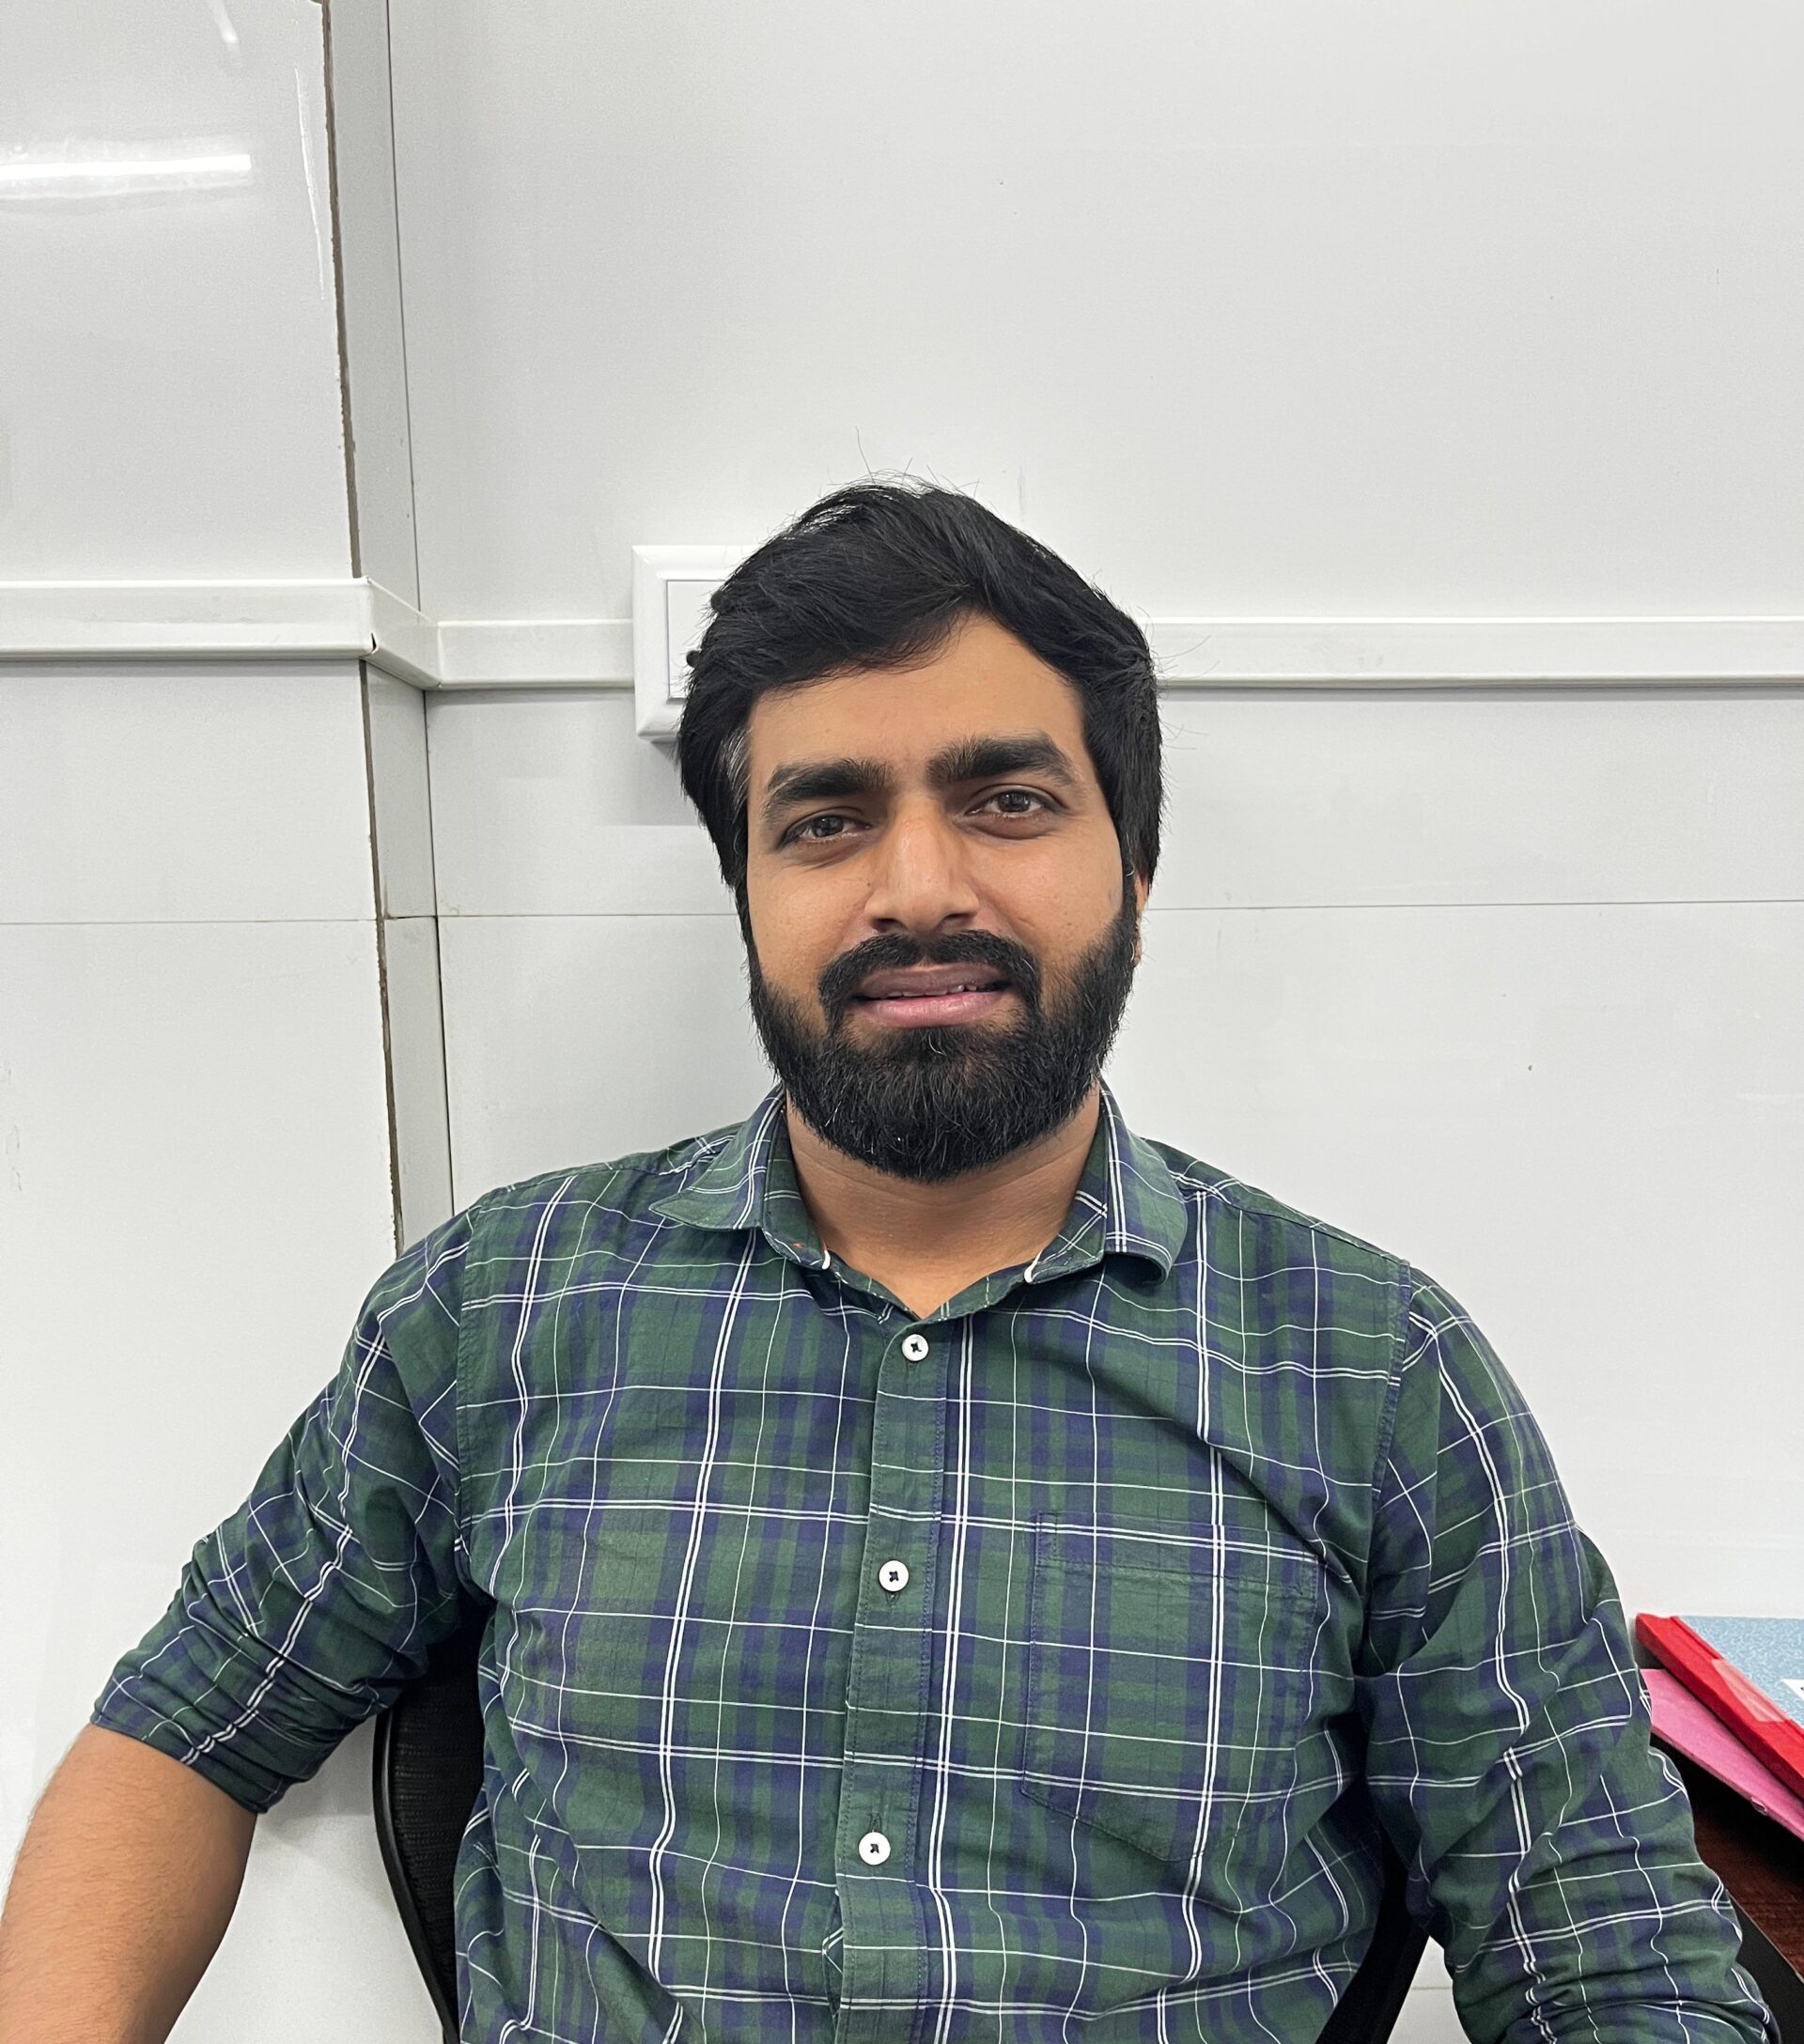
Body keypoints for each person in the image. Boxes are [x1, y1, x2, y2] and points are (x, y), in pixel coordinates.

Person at [0, 481, 1776, 2044]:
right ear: (748, 889)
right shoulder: (503, 1308)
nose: (916, 886)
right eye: (827, 819)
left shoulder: (1375, 1373)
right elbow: (182, 1733)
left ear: (1136, 868)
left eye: (1007, 800)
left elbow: (1605, 1944)